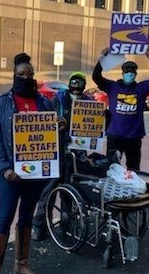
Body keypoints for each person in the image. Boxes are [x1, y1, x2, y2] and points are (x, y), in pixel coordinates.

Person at [0, 52, 55, 274]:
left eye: (30, 74)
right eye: (22, 74)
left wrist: (60, 126)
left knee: (26, 218)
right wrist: (4, 169)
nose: (26, 77)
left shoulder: (45, 103)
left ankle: (22, 264)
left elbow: (51, 137)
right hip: (10, 174)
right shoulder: (3, 103)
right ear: (14, 75)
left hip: (35, 174)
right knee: (4, 219)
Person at [31, 71, 94, 241]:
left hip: (75, 156)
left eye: (79, 82)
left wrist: (106, 118)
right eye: (74, 82)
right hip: (55, 153)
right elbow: (44, 120)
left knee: (69, 193)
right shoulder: (58, 100)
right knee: (47, 193)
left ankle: (67, 226)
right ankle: (39, 226)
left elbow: (97, 127)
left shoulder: (90, 103)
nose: (76, 85)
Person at [92, 47, 149, 171]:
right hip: (115, 135)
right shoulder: (112, 87)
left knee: (133, 168)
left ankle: (131, 189)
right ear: (122, 74)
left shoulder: (141, 88)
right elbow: (96, 77)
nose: (129, 74)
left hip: (134, 137)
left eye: (132, 72)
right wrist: (102, 58)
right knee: (112, 167)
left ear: (135, 74)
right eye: (126, 72)